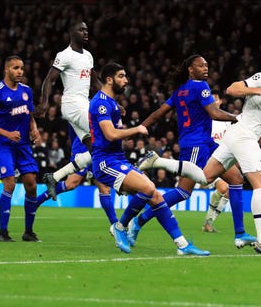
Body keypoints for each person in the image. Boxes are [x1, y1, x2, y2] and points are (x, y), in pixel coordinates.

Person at [138, 50, 261, 255]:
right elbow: (232, 89)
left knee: (205, 178)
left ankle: (146, 203)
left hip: (235, 136)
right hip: (243, 135)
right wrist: (257, 90)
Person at [129, 55, 256, 248]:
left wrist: (140, 128)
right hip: (196, 145)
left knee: (236, 179)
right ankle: (138, 222)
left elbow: (158, 113)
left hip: (207, 143)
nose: (206, 68)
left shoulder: (180, 91)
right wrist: (237, 118)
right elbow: (214, 113)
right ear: (190, 69)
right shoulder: (200, 86)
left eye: (206, 64)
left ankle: (240, 233)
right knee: (183, 191)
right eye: (200, 65)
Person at [89, 62, 208, 255]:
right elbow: (110, 134)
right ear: (109, 80)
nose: (126, 80)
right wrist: (136, 129)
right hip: (104, 162)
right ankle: (120, 226)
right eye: (121, 76)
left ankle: (182, 245)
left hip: (118, 159)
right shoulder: (101, 103)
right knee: (148, 188)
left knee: (156, 196)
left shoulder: (111, 103)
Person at [0, 56, 42, 242]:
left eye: (21, 68)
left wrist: (34, 128)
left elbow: (29, 115)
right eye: (15, 68)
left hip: (22, 146)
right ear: (6, 69)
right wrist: (7, 134)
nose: (20, 71)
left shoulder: (26, 91)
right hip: (2, 145)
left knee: (31, 184)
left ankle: (28, 232)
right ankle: (3, 232)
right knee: (10, 183)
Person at [36, 21, 100, 200]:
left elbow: (95, 83)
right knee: (103, 133)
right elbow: (49, 79)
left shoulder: (88, 56)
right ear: (72, 33)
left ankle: (54, 178)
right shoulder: (64, 55)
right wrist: (45, 102)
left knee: (92, 148)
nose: (85, 32)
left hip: (84, 104)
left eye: (87, 29)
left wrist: (112, 101)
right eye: (81, 29)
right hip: (73, 103)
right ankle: (102, 170)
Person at [33, 124, 118, 231]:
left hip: (98, 147)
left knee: (104, 188)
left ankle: (116, 227)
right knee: (71, 183)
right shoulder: (82, 109)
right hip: (83, 146)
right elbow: (72, 124)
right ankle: (37, 201)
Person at [202, 90, 232, 233]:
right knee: (223, 187)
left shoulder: (226, 120)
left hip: (226, 159)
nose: (213, 101)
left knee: (228, 192)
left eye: (216, 98)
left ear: (220, 101)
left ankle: (209, 222)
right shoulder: (205, 119)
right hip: (211, 160)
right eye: (211, 99)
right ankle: (208, 222)